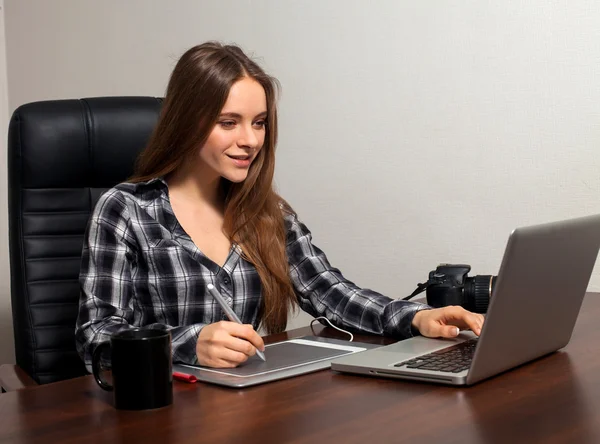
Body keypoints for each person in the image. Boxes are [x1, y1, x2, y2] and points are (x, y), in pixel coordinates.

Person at [76, 41, 484, 371]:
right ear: (187, 121)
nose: (251, 140)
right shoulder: (126, 210)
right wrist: (187, 342)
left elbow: (331, 292)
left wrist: (414, 318)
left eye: (259, 122)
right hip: (164, 408)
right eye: (228, 122)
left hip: (251, 403)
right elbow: (97, 334)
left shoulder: (265, 213)